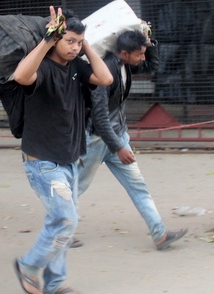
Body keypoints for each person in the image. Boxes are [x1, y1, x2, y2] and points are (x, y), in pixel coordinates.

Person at [11, 7, 112, 294]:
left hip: (70, 159)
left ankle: (55, 283)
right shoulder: (41, 66)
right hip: (43, 161)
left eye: (77, 42)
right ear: (55, 39)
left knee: (61, 223)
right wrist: (47, 39)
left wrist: (86, 43)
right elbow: (21, 76)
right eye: (68, 40)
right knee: (66, 220)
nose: (74, 47)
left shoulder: (78, 67)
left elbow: (105, 79)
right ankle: (28, 266)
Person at [77, 29, 187, 250]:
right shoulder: (105, 70)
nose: (142, 58)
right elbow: (99, 117)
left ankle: (160, 234)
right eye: (139, 54)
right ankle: (59, 233)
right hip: (96, 141)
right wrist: (118, 147)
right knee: (75, 188)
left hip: (116, 137)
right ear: (124, 53)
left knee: (138, 186)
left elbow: (152, 66)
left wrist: (149, 42)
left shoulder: (125, 64)